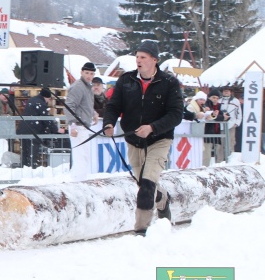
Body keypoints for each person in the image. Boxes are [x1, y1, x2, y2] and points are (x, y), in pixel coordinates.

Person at [103, 42, 183, 235]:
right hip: (134, 140)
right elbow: (113, 106)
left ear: (154, 60)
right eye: (137, 57)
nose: (138, 60)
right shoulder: (125, 80)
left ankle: (141, 232)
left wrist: (152, 128)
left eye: (143, 57)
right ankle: (162, 199)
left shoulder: (169, 83)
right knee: (144, 185)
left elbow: (176, 114)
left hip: (159, 140)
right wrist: (109, 123)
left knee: (147, 186)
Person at [65, 62, 99, 179]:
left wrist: (93, 113)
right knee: (81, 158)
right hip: (78, 126)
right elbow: (69, 106)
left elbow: (85, 105)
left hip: (83, 125)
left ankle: (79, 180)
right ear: (81, 72)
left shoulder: (87, 87)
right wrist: (72, 125)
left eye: (91, 73)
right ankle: (77, 182)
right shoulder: (78, 87)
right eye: (87, 73)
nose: (89, 76)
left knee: (84, 157)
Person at [16, 87, 64, 169]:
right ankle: (31, 170)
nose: (48, 101)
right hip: (33, 131)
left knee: (24, 153)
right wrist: (56, 129)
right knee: (32, 154)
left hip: (23, 130)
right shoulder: (41, 103)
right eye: (49, 99)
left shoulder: (32, 100)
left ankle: (23, 169)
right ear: (46, 97)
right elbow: (46, 119)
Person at [202, 88, 229, 166]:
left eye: (217, 98)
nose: (215, 100)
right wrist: (222, 117)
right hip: (206, 132)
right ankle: (204, 168)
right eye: (213, 97)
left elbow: (226, 115)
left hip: (216, 131)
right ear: (209, 97)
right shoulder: (206, 105)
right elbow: (209, 116)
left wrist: (222, 116)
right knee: (206, 154)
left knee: (219, 153)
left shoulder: (219, 106)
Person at [218, 85, 241, 155]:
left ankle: (230, 161)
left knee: (230, 143)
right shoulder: (219, 100)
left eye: (228, 91)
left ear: (231, 92)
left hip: (231, 125)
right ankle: (219, 161)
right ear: (222, 92)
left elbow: (239, 113)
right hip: (220, 126)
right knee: (220, 145)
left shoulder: (235, 101)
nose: (226, 92)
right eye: (224, 91)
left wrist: (237, 123)